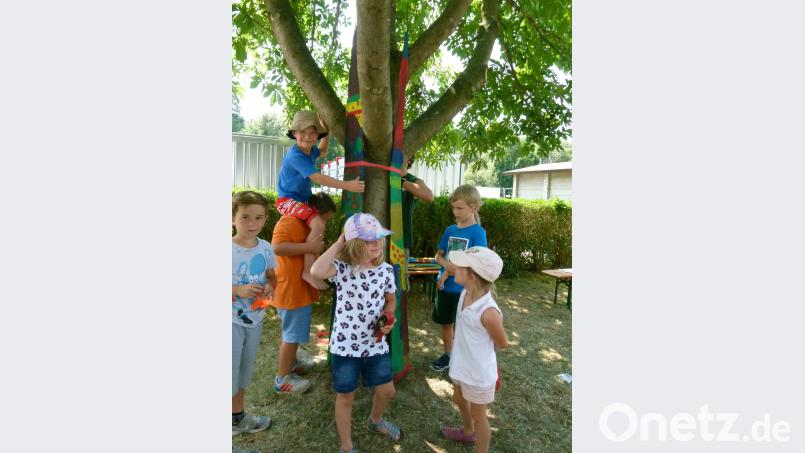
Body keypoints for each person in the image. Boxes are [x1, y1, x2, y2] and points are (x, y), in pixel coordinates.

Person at [310, 213, 403, 453]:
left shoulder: (385, 270)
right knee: (345, 397)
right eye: (369, 240)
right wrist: (341, 240)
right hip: (345, 346)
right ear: (353, 243)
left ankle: (375, 420)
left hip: (375, 342)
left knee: (387, 390)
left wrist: (388, 317)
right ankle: (346, 446)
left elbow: (390, 300)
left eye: (378, 238)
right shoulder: (342, 268)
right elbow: (316, 271)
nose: (376, 243)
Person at [277, 110, 365, 291]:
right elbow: (316, 178)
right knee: (317, 224)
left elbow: (323, 151)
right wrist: (346, 185)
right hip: (287, 200)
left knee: (322, 217)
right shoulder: (296, 155)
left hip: (301, 200)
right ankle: (308, 271)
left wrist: (328, 132)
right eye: (303, 132)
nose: (308, 137)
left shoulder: (309, 151)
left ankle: (316, 264)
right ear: (294, 134)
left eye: (312, 132)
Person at [440, 247, 508, 453]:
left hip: (478, 373)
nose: (454, 268)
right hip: (461, 363)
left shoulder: (488, 312)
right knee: (458, 399)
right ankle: (468, 432)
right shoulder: (464, 293)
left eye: (459, 267)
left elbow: (502, 342)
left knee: (480, 418)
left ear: (472, 276)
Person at [269, 192, 338, 394]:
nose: (325, 223)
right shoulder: (290, 222)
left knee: (293, 332)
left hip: (297, 289)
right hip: (291, 290)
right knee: (291, 335)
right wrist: (310, 246)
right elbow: (277, 248)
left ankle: (293, 364)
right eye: (325, 218)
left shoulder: (306, 226)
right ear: (316, 212)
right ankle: (283, 380)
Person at [231, 191, 276, 437]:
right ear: (232, 218)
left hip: (255, 320)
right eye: (245, 217)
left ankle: (237, 417)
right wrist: (238, 289)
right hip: (230, 322)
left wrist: (270, 286)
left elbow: (272, 276)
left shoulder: (266, 248)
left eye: (258, 218)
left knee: (243, 371)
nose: (252, 223)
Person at [430, 185, 487, 373]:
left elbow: (476, 262)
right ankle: (448, 355)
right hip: (445, 288)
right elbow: (438, 256)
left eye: (460, 208)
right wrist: (445, 267)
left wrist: (449, 271)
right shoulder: (449, 230)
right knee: (446, 324)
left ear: (473, 207)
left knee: (466, 328)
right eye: (453, 208)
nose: (455, 212)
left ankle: (463, 361)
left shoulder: (478, 233)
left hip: (465, 291)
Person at [400, 154, 434, 259]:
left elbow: (429, 196)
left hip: (400, 241)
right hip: (376, 238)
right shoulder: (382, 178)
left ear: (409, 160)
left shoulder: (414, 180)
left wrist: (403, 183)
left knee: (399, 275)